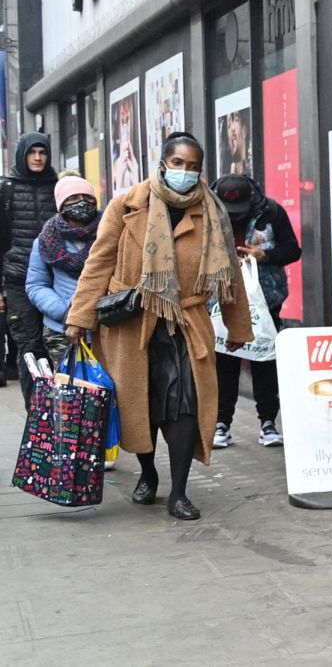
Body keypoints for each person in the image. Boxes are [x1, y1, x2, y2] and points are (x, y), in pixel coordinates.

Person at [65, 132, 253, 521]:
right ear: (164, 162)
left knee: (185, 405)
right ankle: (148, 473)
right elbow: (98, 262)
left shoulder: (213, 211)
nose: (186, 172)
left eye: (193, 166)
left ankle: (179, 492)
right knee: (141, 405)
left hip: (186, 323)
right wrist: (79, 317)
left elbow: (230, 273)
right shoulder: (127, 204)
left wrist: (238, 329)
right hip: (133, 324)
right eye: (179, 163)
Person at [210, 173, 300, 448]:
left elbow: (293, 251)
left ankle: (268, 423)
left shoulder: (271, 212)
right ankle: (221, 423)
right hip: (220, 299)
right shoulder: (207, 213)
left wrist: (265, 256)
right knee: (225, 361)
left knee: (264, 359)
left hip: (265, 299)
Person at [1, 132, 59, 405]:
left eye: (42, 152)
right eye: (32, 153)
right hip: (18, 281)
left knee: (56, 346)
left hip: (54, 282)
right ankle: (37, 415)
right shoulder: (7, 189)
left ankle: (62, 411)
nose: (38, 158)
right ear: (22, 155)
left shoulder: (58, 186)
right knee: (29, 348)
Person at [25, 176, 101, 367]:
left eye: (87, 197)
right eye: (74, 198)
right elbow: (36, 285)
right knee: (72, 391)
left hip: (105, 327)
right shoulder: (45, 241)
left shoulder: (109, 233)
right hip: (61, 330)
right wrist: (67, 312)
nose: (82, 202)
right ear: (61, 204)